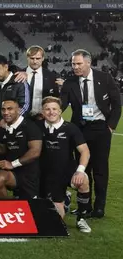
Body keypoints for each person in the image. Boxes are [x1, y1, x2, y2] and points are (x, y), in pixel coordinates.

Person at [60, 49, 121, 218]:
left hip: (101, 129)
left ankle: (99, 207)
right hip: (79, 129)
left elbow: (117, 104)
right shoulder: (70, 82)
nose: (75, 67)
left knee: (101, 169)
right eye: (73, 64)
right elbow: (62, 105)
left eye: (79, 63)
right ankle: (84, 207)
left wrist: (110, 126)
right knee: (83, 168)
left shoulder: (104, 78)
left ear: (88, 63)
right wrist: (49, 114)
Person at [39, 97, 91, 233]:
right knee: (58, 219)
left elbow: (85, 151)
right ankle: (64, 199)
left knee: (84, 180)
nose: (51, 112)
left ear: (60, 111)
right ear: (42, 112)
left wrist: (80, 171)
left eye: (54, 109)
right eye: (47, 109)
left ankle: (81, 218)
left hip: (67, 172)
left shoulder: (70, 128)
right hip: (49, 176)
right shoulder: (37, 127)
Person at [0, 99, 42, 200]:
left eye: (10, 109)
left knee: (30, 209)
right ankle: (6, 211)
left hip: (29, 173)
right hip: (12, 172)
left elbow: (35, 152)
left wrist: (12, 164)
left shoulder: (30, 126)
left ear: (19, 110)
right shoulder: (4, 128)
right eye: (3, 109)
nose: (6, 112)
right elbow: (2, 149)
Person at [13, 46, 61, 120]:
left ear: (43, 58)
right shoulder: (19, 75)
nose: (35, 61)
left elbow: (55, 98)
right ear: (27, 58)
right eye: (32, 58)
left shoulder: (51, 76)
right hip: (21, 117)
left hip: (43, 118)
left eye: (38, 58)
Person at [0, 55, 30, 135]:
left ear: (6, 67)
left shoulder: (20, 82)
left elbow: (25, 106)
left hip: (16, 130)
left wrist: (7, 120)